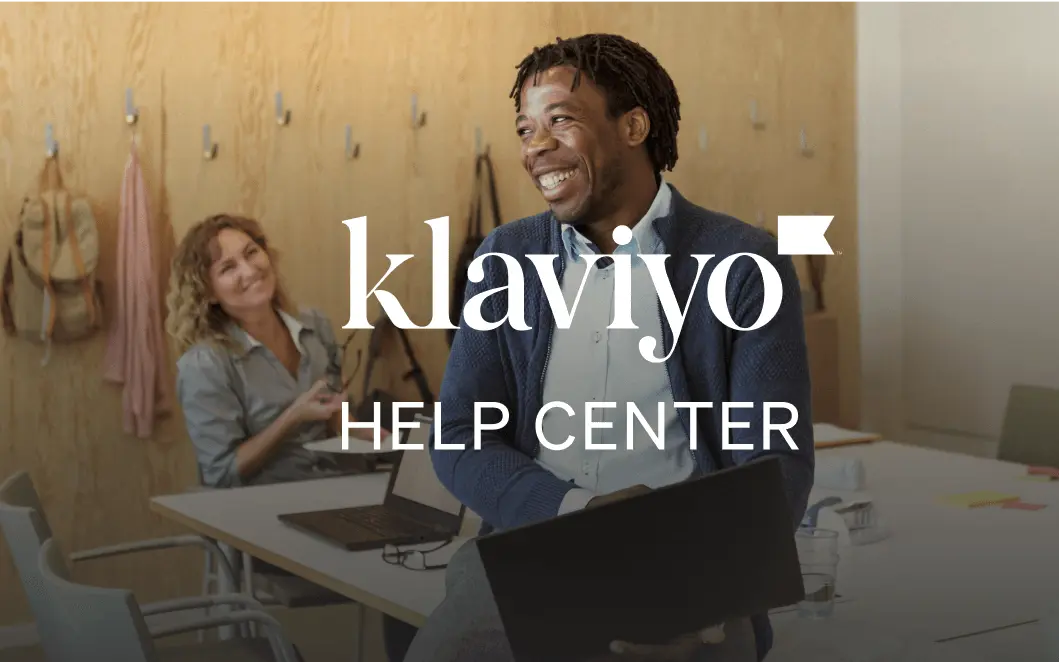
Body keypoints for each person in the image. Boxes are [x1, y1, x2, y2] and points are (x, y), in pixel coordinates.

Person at [401, 33, 815, 662]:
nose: (536, 148)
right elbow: (459, 433)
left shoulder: (741, 262)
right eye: (525, 129)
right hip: (532, 555)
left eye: (560, 121)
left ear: (633, 126)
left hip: (690, 567)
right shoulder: (505, 260)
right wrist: (578, 510)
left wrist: (705, 591)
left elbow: (776, 462)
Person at [166, 213, 388, 488]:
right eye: (228, 268)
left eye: (251, 253)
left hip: (341, 487)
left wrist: (360, 431)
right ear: (208, 293)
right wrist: (292, 418)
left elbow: (333, 416)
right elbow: (221, 474)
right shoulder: (204, 365)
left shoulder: (315, 325)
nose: (249, 271)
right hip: (264, 512)